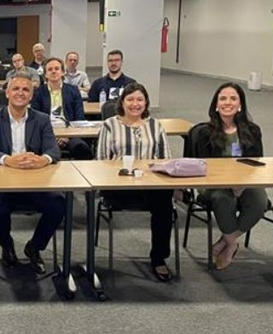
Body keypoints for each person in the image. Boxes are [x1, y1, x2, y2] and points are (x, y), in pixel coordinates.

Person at [0, 73, 64, 274]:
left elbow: (54, 150)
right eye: (16, 89)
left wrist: (43, 159)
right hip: (3, 182)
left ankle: (34, 247)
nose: (20, 93)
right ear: (7, 93)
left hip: (35, 181)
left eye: (25, 89)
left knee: (59, 202)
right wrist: (8, 160)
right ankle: (7, 245)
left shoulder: (42, 119)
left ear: (31, 95)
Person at [96, 83, 174, 282]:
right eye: (130, 99)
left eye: (139, 99)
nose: (135, 104)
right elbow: (102, 161)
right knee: (160, 199)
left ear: (146, 102)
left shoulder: (155, 126)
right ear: (122, 102)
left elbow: (166, 159)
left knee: (165, 201)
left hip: (149, 185)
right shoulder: (109, 125)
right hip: (118, 187)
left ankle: (158, 257)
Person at [193, 83, 267, 270]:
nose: (228, 102)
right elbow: (204, 167)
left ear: (240, 104)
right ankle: (232, 245)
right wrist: (228, 183)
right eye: (223, 98)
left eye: (233, 98)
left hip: (246, 182)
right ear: (216, 105)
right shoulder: (205, 133)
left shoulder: (253, 130)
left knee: (260, 200)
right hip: (214, 184)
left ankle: (226, 240)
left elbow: (257, 162)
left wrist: (242, 184)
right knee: (223, 198)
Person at [30, 58, 93, 160]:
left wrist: (66, 136)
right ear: (45, 74)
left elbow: (79, 117)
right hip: (46, 135)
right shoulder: (38, 93)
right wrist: (52, 137)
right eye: (50, 69)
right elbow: (36, 119)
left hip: (70, 134)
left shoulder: (73, 91)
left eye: (56, 69)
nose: (54, 71)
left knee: (82, 148)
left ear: (63, 72)